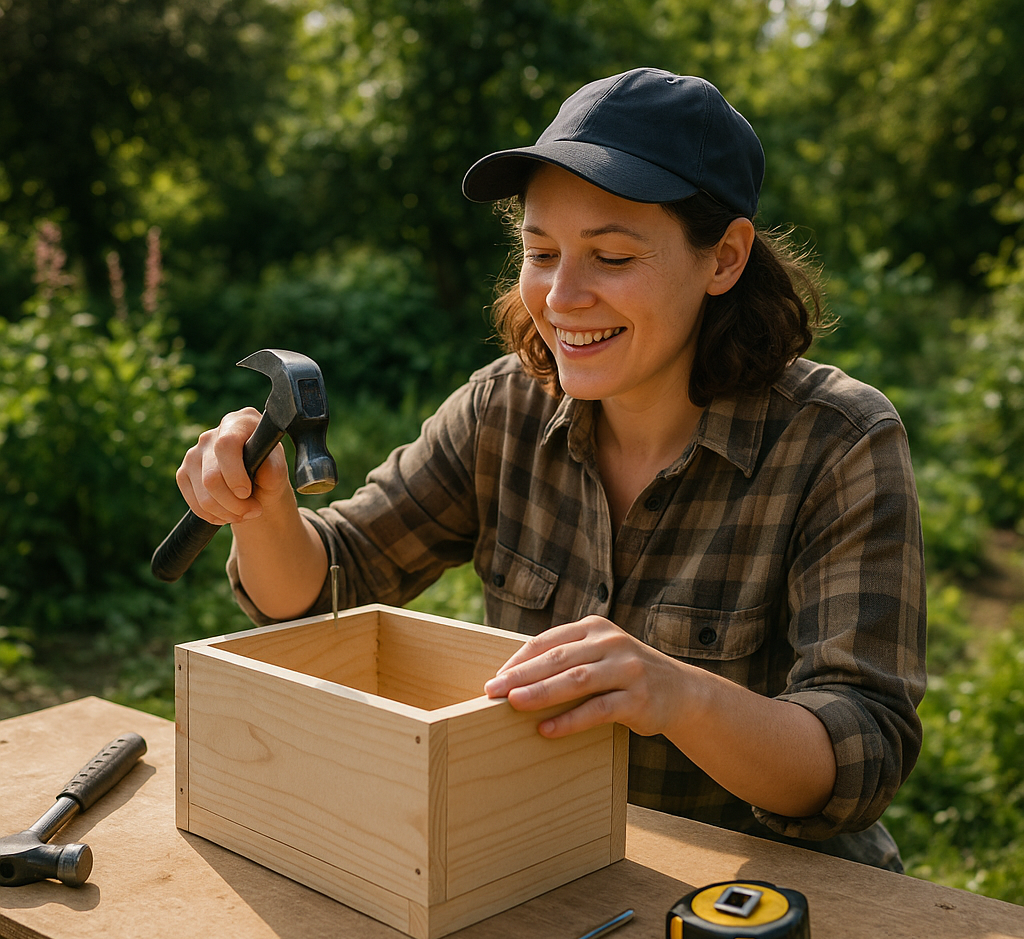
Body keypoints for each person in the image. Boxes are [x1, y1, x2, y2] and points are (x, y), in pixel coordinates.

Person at [176, 68, 926, 871]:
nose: (563, 297)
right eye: (540, 251)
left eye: (609, 255)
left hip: (769, 899)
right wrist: (264, 513)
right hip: (545, 863)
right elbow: (332, 585)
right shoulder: (504, 408)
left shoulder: (840, 442)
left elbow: (862, 749)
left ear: (725, 258)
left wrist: (676, 694)